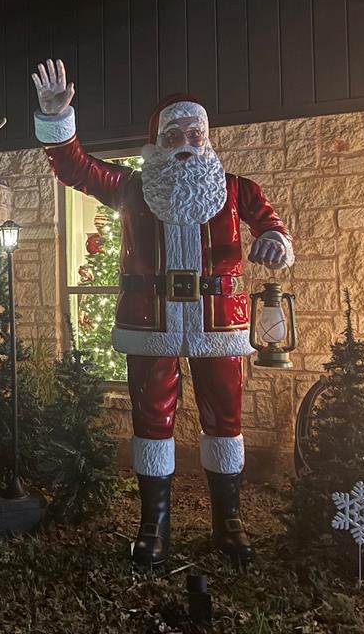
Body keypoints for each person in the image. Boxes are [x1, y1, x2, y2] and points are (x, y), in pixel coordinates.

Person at [31, 59, 294, 568]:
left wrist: (276, 243)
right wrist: (57, 120)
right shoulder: (132, 188)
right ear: (156, 141)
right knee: (151, 421)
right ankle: (153, 526)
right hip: (150, 322)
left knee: (227, 419)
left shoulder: (237, 189)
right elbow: (76, 169)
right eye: (174, 132)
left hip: (217, 322)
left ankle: (228, 521)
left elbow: (273, 228)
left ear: (207, 138)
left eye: (195, 131)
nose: (185, 140)